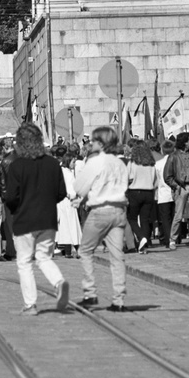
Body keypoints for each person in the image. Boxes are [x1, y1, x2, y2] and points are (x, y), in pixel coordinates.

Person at [4, 123, 69, 314]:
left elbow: (11, 197)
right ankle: (59, 282)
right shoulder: (52, 164)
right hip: (47, 219)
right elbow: (61, 192)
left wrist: (15, 209)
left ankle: (30, 304)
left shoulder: (17, 166)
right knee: (44, 257)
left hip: (24, 220)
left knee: (24, 262)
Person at [73, 127, 129, 312]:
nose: (91, 144)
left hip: (100, 211)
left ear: (101, 143)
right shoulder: (120, 163)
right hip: (119, 210)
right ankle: (118, 299)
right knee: (117, 255)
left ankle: (90, 293)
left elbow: (79, 187)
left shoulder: (96, 162)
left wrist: (86, 192)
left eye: (95, 141)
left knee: (86, 250)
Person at [164, 133, 189, 248]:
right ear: (185, 142)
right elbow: (167, 175)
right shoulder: (173, 156)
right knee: (178, 215)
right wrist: (176, 186)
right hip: (181, 187)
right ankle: (172, 240)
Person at [125, 143, 157, 253]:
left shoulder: (132, 163)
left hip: (135, 191)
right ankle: (144, 244)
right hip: (149, 192)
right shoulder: (151, 164)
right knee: (145, 219)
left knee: (131, 218)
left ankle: (141, 236)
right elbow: (155, 181)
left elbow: (128, 178)